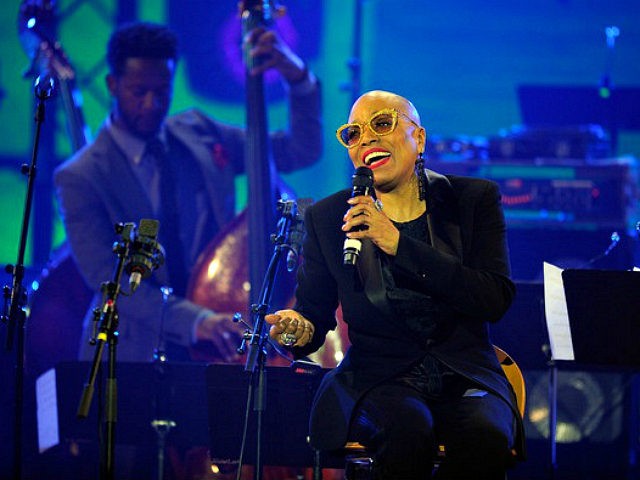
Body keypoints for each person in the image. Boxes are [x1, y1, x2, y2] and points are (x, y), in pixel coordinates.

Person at [266, 90, 525, 479]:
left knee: (485, 437)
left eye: (382, 124)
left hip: (466, 374)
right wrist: (297, 329)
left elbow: (494, 298)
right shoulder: (328, 217)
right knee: (408, 432)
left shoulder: (473, 200)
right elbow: (313, 317)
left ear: (418, 139)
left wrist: (398, 244)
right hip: (380, 378)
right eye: (353, 134)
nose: (366, 139)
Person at [53, 21, 322, 364]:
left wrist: (297, 78)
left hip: (219, 342)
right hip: (132, 355)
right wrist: (197, 320)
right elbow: (111, 283)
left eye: (162, 91)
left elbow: (300, 149)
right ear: (112, 85)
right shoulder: (79, 176)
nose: (151, 104)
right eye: (138, 92)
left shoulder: (199, 133)